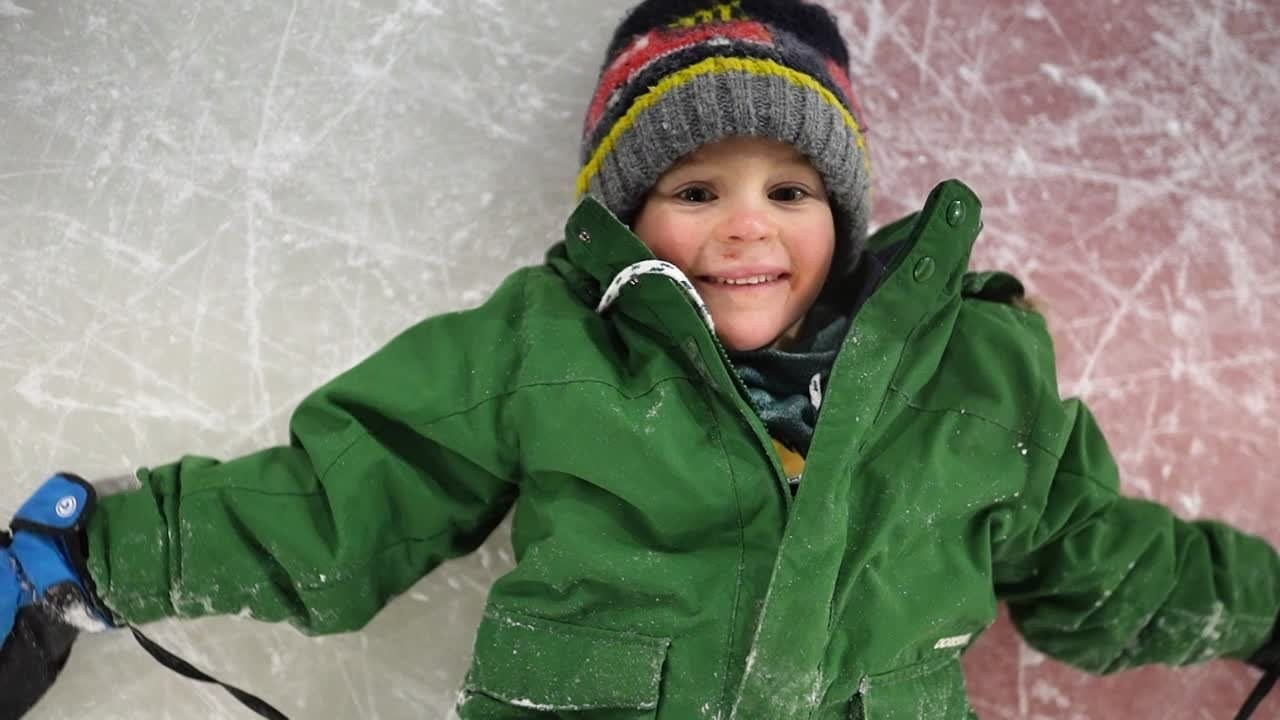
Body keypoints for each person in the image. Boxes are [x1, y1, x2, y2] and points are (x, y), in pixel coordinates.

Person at [2, 1, 1278, 718]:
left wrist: (1263, 603)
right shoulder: (550, 347)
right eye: (693, 186)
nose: (745, 224)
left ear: (839, 210)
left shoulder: (972, 374)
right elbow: (355, 486)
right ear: (624, 215)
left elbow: (1094, 560)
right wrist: (94, 557)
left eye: (789, 187)